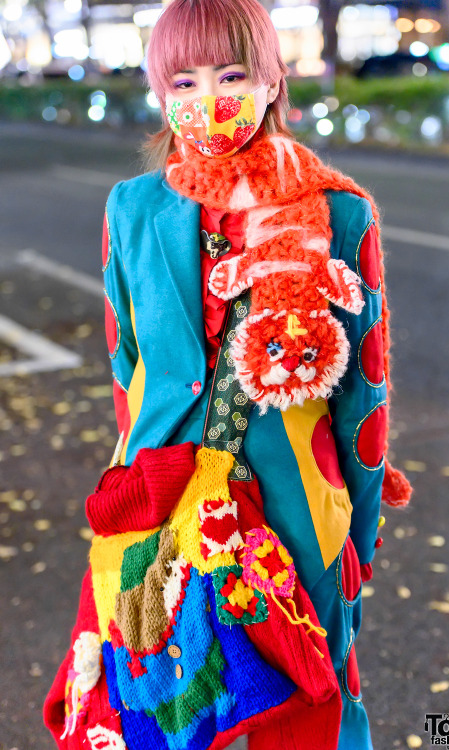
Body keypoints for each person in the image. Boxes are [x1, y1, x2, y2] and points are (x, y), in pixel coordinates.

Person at [43, 0, 412, 748]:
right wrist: (133, 489)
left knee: (308, 711)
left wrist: (358, 541)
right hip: (161, 499)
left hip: (297, 513)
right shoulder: (134, 209)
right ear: (160, 93)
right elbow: (130, 374)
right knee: (163, 707)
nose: (206, 98)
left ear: (273, 82)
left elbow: (360, 404)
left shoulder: (340, 215)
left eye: (231, 74)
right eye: (182, 82)